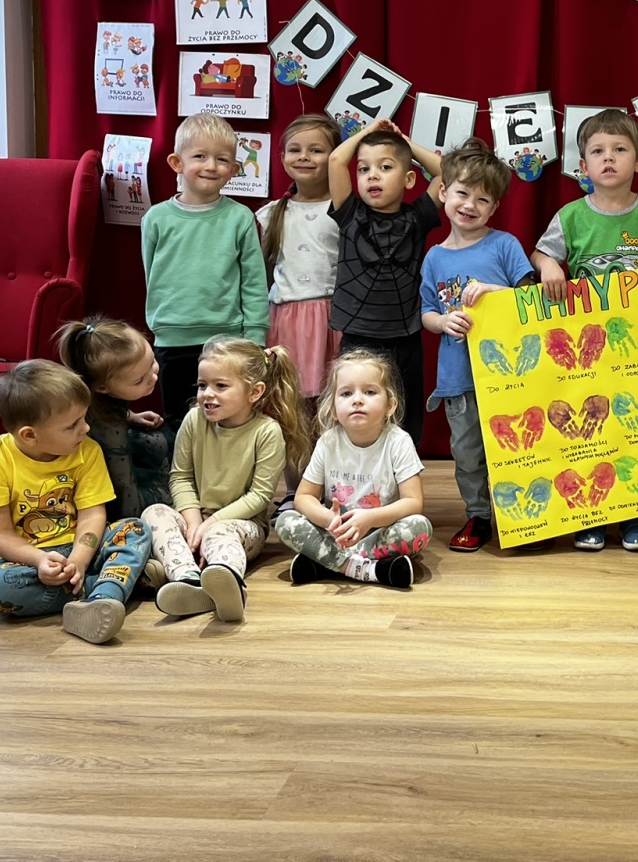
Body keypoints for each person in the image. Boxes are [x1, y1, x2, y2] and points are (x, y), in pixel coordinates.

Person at [532, 109, 638, 551]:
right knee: (594, 431)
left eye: (619, 149)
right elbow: (541, 254)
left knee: (636, 429)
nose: (608, 158)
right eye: (598, 151)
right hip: (588, 351)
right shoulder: (570, 216)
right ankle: (593, 514)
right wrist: (548, 265)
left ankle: (637, 514)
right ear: (583, 166)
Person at [0, 360, 151, 645]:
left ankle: (104, 598)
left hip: (81, 548)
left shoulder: (87, 451)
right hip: (23, 560)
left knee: (135, 528)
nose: (86, 428)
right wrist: (39, 560)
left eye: (84, 417)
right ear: (30, 435)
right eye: (72, 425)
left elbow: (92, 514)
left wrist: (79, 559)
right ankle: (113, 584)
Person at [420, 139, 536, 553]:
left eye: (482, 199)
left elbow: (530, 297)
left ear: (494, 208)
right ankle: (479, 515)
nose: (470, 205)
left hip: (509, 374)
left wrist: (493, 290)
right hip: (458, 377)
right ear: (443, 192)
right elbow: (426, 312)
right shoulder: (434, 257)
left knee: (515, 447)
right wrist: (442, 321)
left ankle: (522, 516)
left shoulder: (504, 245)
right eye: (462, 193)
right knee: (468, 453)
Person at [142, 337, 309, 624]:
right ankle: (187, 579)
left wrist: (211, 524)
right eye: (202, 385)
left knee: (220, 534)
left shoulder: (267, 432)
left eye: (220, 386)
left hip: (241, 525)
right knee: (154, 512)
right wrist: (194, 523)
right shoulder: (193, 420)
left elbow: (258, 496)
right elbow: (181, 477)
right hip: (195, 519)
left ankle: (227, 582)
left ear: (254, 392)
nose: (207, 394)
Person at [142, 112, 270, 430]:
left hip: (227, 339)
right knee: (179, 421)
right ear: (177, 162)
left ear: (234, 169)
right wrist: (162, 322)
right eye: (200, 156)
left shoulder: (240, 218)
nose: (211, 166)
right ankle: (181, 466)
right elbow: (152, 275)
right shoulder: (155, 219)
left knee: (227, 419)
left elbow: (254, 281)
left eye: (222, 159)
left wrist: (254, 338)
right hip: (172, 339)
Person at [327, 118, 444, 450]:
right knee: (356, 415)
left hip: (405, 336)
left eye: (385, 167)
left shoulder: (417, 217)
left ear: (409, 179)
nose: (372, 175)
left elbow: (446, 173)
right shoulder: (350, 213)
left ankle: (402, 477)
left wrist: (403, 141)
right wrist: (367, 133)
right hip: (358, 335)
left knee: (405, 418)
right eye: (364, 169)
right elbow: (336, 160)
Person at [275, 349, 433, 588]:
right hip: (336, 533)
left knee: (419, 527)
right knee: (285, 521)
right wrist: (329, 520)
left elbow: (413, 502)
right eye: (346, 393)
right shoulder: (328, 441)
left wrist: (370, 519)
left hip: (379, 532)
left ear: (390, 405)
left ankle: (326, 563)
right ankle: (366, 569)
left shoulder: (398, 441)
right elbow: (303, 497)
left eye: (369, 392)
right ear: (333, 408)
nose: (357, 399)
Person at [256, 113, 343, 507]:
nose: (304, 156)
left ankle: (334, 489)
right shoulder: (270, 214)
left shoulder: (344, 209)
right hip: (285, 322)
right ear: (282, 157)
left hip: (330, 319)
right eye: (295, 149)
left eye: (316, 150)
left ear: (335, 157)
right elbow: (258, 274)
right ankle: (295, 491)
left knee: (329, 406)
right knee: (289, 408)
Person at [55, 317, 170, 521]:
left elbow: (112, 408)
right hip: (101, 482)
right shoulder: (108, 430)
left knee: (164, 440)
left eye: (152, 362)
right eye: (139, 380)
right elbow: (125, 498)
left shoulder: (104, 396)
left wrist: (131, 416)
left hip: (115, 449)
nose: (153, 377)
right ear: (102, 388)